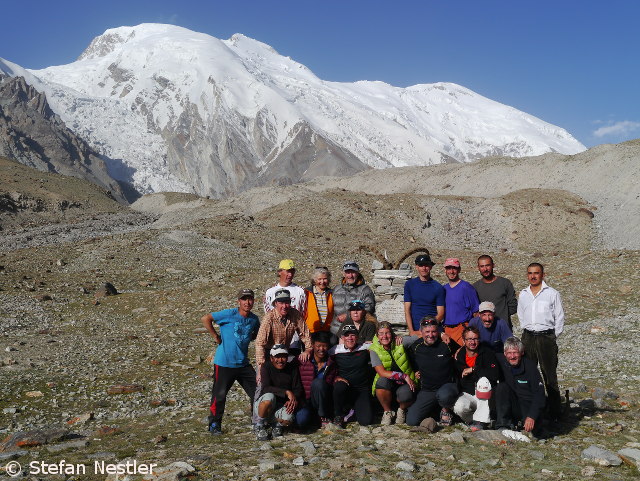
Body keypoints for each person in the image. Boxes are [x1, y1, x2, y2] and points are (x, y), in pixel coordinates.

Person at [202, 288, 261, 435]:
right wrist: (215, 336)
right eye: (244, 299)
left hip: (243, 363)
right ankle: (214, 424)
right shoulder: (229, 314)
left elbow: (257, 335)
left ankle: (257, 421)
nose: (247, 302)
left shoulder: (254, 319)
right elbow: (206, 318)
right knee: (219, 394)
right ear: (238, 301)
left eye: (250, 299)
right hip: (224, 363)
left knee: (257, 392)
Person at [517, 262, 564, 420]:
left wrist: (551, 336)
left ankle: (555, 413)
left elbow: (559, 317)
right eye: (530, 273)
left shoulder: (552, 293)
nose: (533, 276)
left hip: (546, 337)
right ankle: (531, 411)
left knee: (549, 375)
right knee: (528, 373)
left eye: (536, 273)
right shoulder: (523, 294)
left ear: (543, 275)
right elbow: (521, 314)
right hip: (528, 336)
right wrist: (527, 329)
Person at [405, 317, 459, 427]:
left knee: (444, 395)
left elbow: (461, 350)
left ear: (438, 331)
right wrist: (415, 371)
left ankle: (445, 410)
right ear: (421, 332)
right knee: (411, 421)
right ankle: (432, 413)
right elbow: (410, 360)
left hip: (447, 386)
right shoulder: (416, 346)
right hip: (428, 389)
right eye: (427, 332)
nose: (431, 335)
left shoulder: (446, 343)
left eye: (434, 331)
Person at [452, 326, 502, 431]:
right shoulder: (459, 356)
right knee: (459, 407)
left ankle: (481, 421)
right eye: (469, 339)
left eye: (475, 339)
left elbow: (495, 374)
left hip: (486, 395)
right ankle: (474, 420)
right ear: (463, 340)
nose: (472, 342)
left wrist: (473, 369)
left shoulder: (487, 353)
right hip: (468, 393)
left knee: (483, 381)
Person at [368, 322, 417, 425]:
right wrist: (403, 376)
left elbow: (420, 336)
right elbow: (381, 372)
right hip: (388, 380)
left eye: (387, 333)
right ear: (377, 335)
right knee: (381, 382)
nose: (384, 336)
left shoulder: (400, 342)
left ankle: (401, 410)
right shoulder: (374, 349)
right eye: (381, 333)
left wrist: (441, 334)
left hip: (404, 383)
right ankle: (387, 412)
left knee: (406, 394)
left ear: (392, 334)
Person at [495, 337, 546, 435]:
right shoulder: (501, 360)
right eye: (509, 353)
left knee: (534, 430)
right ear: (505, 353)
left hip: (528, 406)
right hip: (514, 404)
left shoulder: (530, 367)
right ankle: (503, 425)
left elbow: (539, 394)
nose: (512, 356)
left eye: (515, 352)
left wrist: (532, 416)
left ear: (522, 353)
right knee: (502, 387)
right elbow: (483, 354)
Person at [254, 344, 305, 440]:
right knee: (269, 397)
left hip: (281, 405)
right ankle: (260, 425)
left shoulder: (292, 368)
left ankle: (276, 425)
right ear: (271, 358)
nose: (280, 360)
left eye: (283, 357)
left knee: (289, 419)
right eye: (277, 357)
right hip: (265, 403)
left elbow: (298, 388)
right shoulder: (266, 367)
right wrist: (286, 392)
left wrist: (293, 399)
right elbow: (265, 388)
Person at [328, 324, 375, 427]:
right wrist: (335, 376)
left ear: (357, 337)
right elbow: (327, 365)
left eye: (353, 335)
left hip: (361, 389)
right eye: (346, 335)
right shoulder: (335, 350)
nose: (350, 338)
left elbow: (383, 343)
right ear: (342, 338)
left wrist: (395, 337)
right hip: (345, 387)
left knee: (366, 421)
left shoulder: (365, 347)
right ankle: (338, 415)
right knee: (339, 386)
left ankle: (352, 411)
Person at [255, 289, 312, 370]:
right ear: (275, 303)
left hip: (285, 352)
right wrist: (261, 365)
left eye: (287, 303)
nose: (284, 306)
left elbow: (305, 333)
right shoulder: (269, 318)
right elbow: (260, 342)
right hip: (269, 353)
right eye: (281, 303)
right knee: (263, 379)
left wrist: (308, 350)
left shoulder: (295, 314)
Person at [295, 331, 336, 428]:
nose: (321, 349)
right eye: (318, 346)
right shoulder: (303, 360)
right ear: (313, 345)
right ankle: (313, 417)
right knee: (301, 421)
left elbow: (335, 377)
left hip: (324, 401)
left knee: (318, 383)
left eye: (325, 346)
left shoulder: (331, 362)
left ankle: (322, 416)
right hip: (306, 400)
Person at [403, 254, 445, 336]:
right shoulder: (409, 285)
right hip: (415, 331)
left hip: (432, 332)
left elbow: (441, 313)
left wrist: (428, 328)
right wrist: (411, 331)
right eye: (421, 265)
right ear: (417, 267)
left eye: (426, 265)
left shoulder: (438, 287)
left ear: (431, 267)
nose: (424, 268)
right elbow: (407, 310)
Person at [473, 255, 517, 330]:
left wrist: (503, 315)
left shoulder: (505, 283)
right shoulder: (475, 287)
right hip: (483, 330)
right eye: (482, 266)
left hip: (503, 329)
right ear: (478, 268)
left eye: (487, 265)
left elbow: (513, 306)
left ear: (493, 265)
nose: (485, 269)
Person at [442, 258, 480, 346]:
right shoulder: (444, 289)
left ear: (459, 270)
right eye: (448, 268)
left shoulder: (467, 287)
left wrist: (472, 332)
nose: (451, 271)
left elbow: (476, 312)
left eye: (454, 268)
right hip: (447, 330)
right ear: (445, 270)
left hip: (462, 329)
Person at [332, 260, 376, 325]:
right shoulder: (337, 289)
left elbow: (369, 308)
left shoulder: (365, 290)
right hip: (335, 330)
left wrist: (349, 316)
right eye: (348, 272)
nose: (350, 276)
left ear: (357, 273)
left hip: (354, 330)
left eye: (353, 272)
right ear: (343, 274)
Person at [304, 267, 334, 333]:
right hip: (311, 330)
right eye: (319, 279)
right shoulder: (306, 293)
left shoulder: (332, 293)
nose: (322, 282)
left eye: (325, 279)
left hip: (327, 330)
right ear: (314, 280)